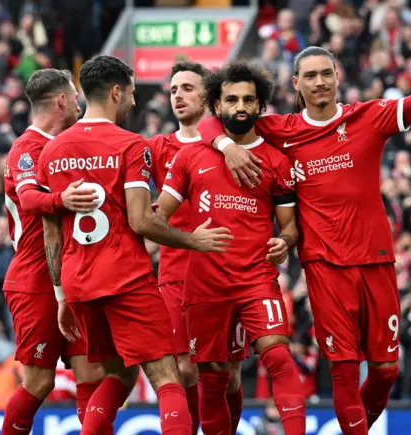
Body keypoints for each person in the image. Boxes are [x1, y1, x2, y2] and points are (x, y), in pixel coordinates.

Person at [197, 17, 411, 434]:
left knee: (387, 370)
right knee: (343, 369)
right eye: (310, 76)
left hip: (376, 258)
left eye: (326, 74)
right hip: (324, 264)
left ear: (338, 77)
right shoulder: (280, 130)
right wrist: (227, 146)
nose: (320, 82)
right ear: (295, 83)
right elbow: (212, 120)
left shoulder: (371, 117)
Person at [37, 55, 233, 434]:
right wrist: (193, 239)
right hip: (124, 277)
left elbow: (51, 233)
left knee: (118, 376)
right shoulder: (130, 145)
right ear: (116, 92)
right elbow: (141, 221)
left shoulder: (52, 151)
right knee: (166, 376)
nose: (133, 101)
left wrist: (61, 293)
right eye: (130, 93)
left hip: (78, 282)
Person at [157, 61, 306, 434]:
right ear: (217, 106)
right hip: (205, 284)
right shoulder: (190, 157)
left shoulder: (277, 161)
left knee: (278, 357)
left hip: (255, 278)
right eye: (232, 99)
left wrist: (284, 242)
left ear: (260, 106)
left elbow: (289, 227)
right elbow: (157, 216)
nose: (241, 106)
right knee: (211, 377)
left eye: (249, 100)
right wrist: (190, 240)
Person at [1, 68, 107, 434]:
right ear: (62, 100)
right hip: (35, 279)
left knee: (93, 372)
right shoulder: (26, 149)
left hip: (76, 274)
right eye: (75, 97)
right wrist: (65, 199)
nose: (80, 103)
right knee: (39, 382)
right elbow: (29, 199)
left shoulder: (71, 147)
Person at [146, 61, 247, 434]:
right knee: (186, 368)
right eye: (173, 90)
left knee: (228, 371)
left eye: (188, 88)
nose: (178, 96)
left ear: (208, 95)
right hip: (176, 273)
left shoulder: (232, 144)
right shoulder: (156, 148)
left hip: (227, 270)